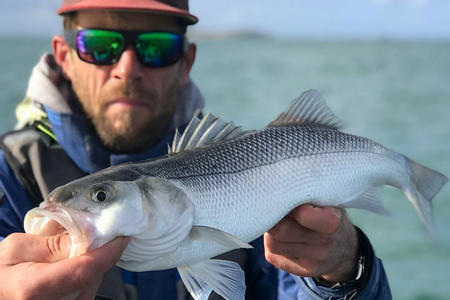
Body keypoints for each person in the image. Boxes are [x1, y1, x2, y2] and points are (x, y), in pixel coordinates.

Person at [0, 0, 392, 299]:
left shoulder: (252, 171)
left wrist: (344, 270)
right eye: (100, 45)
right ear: (65, 57)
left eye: (156, 47)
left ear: (185, 62)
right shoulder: (9, 176)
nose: (128, 67)